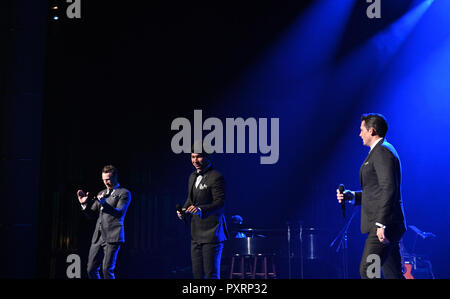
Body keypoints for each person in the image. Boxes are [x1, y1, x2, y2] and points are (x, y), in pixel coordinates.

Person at [336, 113, 406, 279]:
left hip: (383, 226)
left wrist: (382, 223)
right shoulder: (380, 151)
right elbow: (375, 191)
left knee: (368, 271)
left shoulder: (382, 151)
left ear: (372, 131)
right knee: (393, 275)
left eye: (362, 130)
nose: (360, 134)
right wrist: (351, 196)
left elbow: (389, 187)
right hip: (387, 224)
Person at [177, 146, 229, 279]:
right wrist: (184, 211)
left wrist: (201, 209)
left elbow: (220, 203)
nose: (195, 160)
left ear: (207, 157)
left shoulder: (216, 176)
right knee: (197, 275)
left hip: (212, 233)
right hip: (196, 233)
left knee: (211, 275)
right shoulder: (192, 176)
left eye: (199, 156)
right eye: (193, 157)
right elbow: (190, 200)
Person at [77, 165, 131, 279]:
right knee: (91, 270)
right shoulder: (102, 193)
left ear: (115, 177)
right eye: (104, 180)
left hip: (113, 235)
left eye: (108, 179)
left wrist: (104, 203)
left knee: (107, 270)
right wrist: (84, 204)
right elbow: (91, 214)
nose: (106, 182)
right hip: (98, 236)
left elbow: (119, 212)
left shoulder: (124, 193)